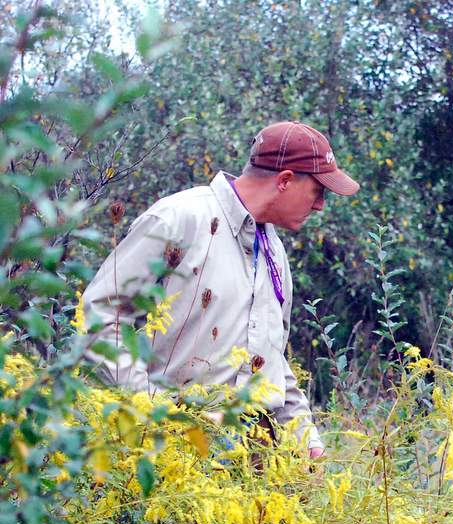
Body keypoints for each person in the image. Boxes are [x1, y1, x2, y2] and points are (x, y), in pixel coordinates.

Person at [81, 120, 359, 457]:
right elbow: (99, 316)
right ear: (285, 180)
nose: (320, 206)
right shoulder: (179, 219)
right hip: (171, 451)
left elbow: (272, 357)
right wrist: (158, 409)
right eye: (318, 191)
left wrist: (305, 438)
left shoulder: (274, 251)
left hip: (257, 459)